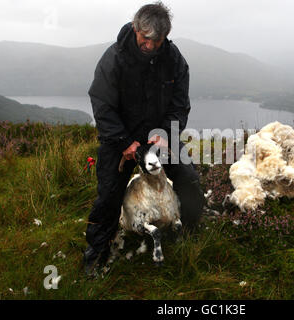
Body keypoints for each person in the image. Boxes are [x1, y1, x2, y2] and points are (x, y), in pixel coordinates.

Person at [84, 2, 204, 276]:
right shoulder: (114, 58)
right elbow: (102, 104)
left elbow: (179, 105)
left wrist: (165, 136)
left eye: (156, 40)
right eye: (144, 38)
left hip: (159, 137)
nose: (149, 45)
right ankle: (96, 255)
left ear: (165, 37)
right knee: (109, 195)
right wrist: (124, 142)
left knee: (188, 179)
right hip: (121, 141)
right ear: (136, 29)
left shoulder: (174, 60)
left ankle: (189, 234)